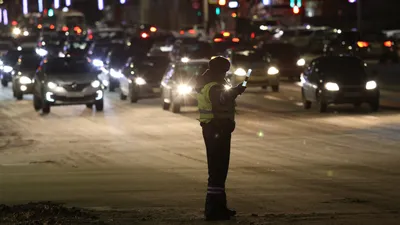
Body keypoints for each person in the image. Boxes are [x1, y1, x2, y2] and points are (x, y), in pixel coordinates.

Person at [196, 56, 246, 221]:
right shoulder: (214, 86)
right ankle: (213, 210)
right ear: (220, 70)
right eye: (225, 71)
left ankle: (219, 207)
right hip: (216, 130)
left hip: (215, 129)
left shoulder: (208, 83)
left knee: (218, 170)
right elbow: (222, 99)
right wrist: (237, 91)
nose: (226, 74)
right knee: (218, 169)